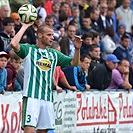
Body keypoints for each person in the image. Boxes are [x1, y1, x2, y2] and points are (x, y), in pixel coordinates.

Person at [10, 22, 82, 133]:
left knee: (43, 131)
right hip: (31, 97)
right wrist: (24, 26)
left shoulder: (54, 54)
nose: (52, 38)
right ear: (40, 35)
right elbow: (14, 43)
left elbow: (74, 63)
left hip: (47, 99)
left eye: (53, 35)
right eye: (49, 35)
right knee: (29, 129)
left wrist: (77, 50)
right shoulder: (29, 50)